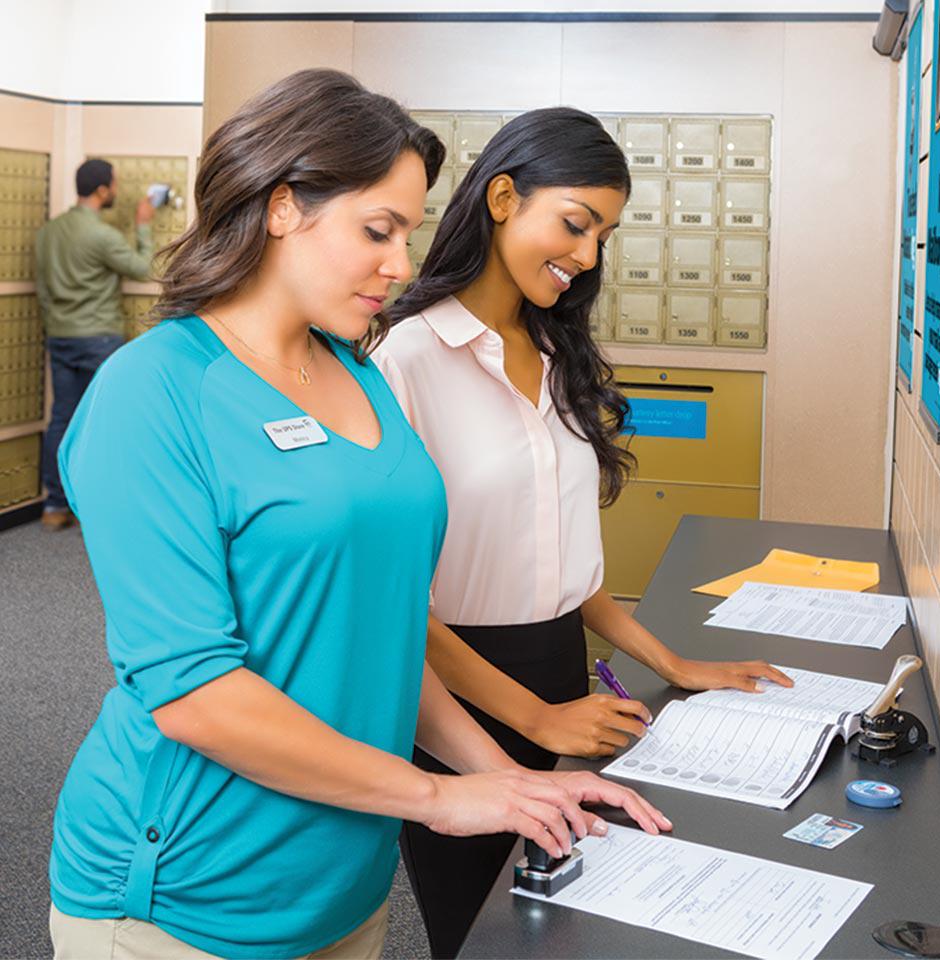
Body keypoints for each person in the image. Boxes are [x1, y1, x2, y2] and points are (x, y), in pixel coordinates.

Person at [47, 73, 671, 960]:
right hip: (184, 895)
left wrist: (512, 781)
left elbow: (384, 628)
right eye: (377, 231)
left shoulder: (355, 370)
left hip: (344, 875)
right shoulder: (153, 391)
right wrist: (440, 799)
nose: (401, 264)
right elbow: (193, 696)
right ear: (280, 208)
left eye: (407, 235)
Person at [372, 107, 793, 959]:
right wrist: (539, 719)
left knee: (565, 927)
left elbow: (561, 563)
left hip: (562, 669)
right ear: (500, 198)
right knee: (483, 934)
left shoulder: (556, 351)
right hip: (456, 696)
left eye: (603, 233)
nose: (588, 255)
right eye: (574, 223)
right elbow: (395, 601)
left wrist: (672, 663)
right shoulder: (404, 360)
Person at [35, 158, 155, 530]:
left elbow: (42, 290)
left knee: (61, 418)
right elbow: (143, 267)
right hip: (98, 338)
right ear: (103, 190)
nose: (116, 190)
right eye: (114, 184)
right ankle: (105, 508)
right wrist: (144, 225)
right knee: (109, 420)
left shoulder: (48, 232)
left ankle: (55, 506)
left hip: (60, 335)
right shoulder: (101, 236)